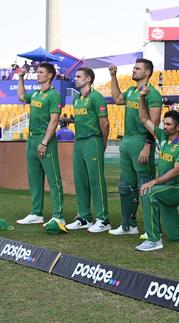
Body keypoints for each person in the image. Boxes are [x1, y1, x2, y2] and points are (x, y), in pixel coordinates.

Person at [135, 88, 179, 251]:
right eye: (163, 124)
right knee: (175, 235)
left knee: (147, 192)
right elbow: (144, 119)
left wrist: (153, 182)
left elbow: (177, 170)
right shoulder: (162, 137)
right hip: (164, 190)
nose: (164, 127)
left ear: (178, 127)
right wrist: (142, 97)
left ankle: (153, 239)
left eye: (168, 124)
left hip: (176, 189)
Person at [107, 59, 161, 236]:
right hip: (127, 141)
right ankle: (128, 225)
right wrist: (113, 76)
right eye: (134, 68)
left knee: (144, 185)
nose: (134, 70)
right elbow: (116, 99)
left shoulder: (153, 94)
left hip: (140, 142)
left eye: (137, 69)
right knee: (125, 187)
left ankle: (152, 228)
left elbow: (154, 123)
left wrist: (147, 145)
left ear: (147, 73)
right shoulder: (131, 91)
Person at [16, 63, 66, 231]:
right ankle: (36, 213)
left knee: (53, 179)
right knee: (34, 179)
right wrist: (21, 77)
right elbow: (21, 96)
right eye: (37, 72)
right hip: (31, 140)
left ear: (50, 75)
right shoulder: (36, 93)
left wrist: (44, 142)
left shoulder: (54, 95)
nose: (37, 75)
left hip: (46, 140)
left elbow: (54, 120)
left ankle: (58, 216)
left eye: (41, 72)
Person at [64, 67, 111, 233]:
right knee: (80, 180)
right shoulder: (76, 99)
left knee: (96, 181)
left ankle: (103, 219)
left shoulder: (96, 97)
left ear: (89, 79)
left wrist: (102, 143)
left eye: (79, 76)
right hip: (79, 142)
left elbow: (104, 124)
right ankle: (84, 217)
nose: (75, 79)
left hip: (93, 141)